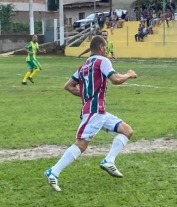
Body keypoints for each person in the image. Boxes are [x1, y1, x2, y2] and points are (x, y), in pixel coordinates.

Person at [44, 35, 137, 192]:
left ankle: (109, 160)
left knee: (127, 131)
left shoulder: (84, 66)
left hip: (99, 111)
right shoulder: (103, 61)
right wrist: (128, 74)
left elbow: (68, 86)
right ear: (100, 47)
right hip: (94, 111)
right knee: (81, 144)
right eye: (105, 47)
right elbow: (115, 79)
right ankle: (53, 171)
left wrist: (86, 94)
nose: (106, 50)